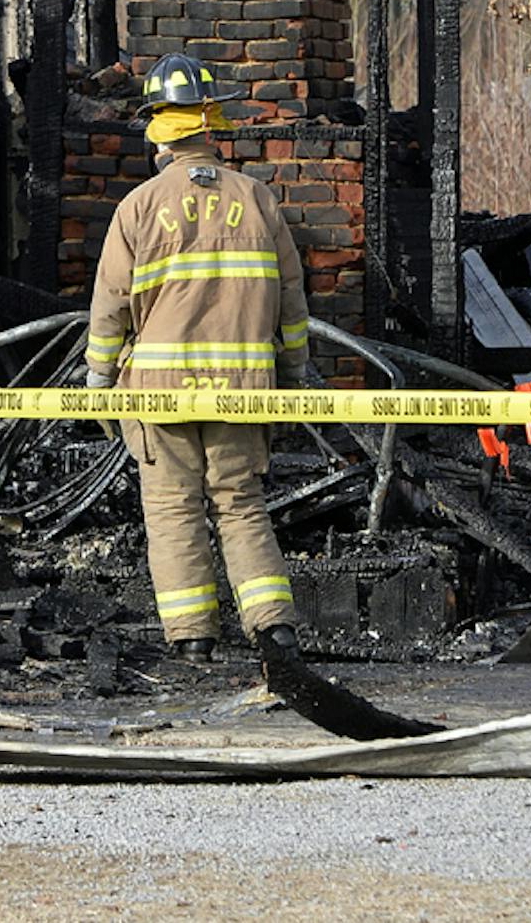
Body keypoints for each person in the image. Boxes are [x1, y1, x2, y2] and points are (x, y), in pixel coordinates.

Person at [86, 53, 312, 663]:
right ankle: (274, 630)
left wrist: (99, 378)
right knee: (240, 503)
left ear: (157, 129)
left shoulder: (137, 207)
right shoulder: (258, 201)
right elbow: (293, 302)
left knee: (171, 510)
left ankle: (193, 640)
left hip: (159, 391)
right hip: (241, 387)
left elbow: (110, 307)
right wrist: (293, 373)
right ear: (211, 122)